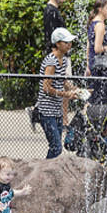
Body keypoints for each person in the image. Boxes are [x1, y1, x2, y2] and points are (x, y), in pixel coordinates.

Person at [35, 27, 79, 159]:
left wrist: (76, 90)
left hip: (56, 110)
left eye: (70, 42)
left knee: (57, 147)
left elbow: (63, 81)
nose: (69, 45)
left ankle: (49, 172)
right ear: (58, 43)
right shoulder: (51, 61)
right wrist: (66, 94)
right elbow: (46, 88)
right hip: (46, 111)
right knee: (56, 146)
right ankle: (44, 172)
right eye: (66, 42)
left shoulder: (63, 60)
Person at [86, 0, 107, 105]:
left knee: (96, 98)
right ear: (100, 9)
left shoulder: (93, 23)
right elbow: (97, 49)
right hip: (102, 69)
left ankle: (88, 120)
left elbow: (88, 46)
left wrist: (88, 65)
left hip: (96, 66)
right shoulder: (100, 25)